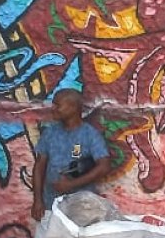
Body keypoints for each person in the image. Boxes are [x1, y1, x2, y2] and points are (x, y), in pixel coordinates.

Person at [30, 88, 112, 221]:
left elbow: (104, 166)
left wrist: (71, 184)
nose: (53, 108)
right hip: (50, 204)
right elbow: (39, 166)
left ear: (73, 107)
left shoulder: (89, 134)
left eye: (58, 105)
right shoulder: (50, 133)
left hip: (81, 208)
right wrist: (37, 200)